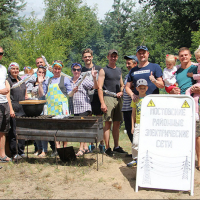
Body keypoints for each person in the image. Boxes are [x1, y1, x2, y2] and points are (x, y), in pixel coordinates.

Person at [170, 47, 200, 170]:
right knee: (182, 134)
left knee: (197, 135)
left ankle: (199, 162)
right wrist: (172, 90)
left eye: (186, 55)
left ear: (190, 56)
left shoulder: (196, 67)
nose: (184, 57)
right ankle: (182, 160)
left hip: (196, 105)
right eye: (181, 55)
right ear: (179, 57)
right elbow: (170, 86)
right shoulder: (175, 71)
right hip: (180, 106)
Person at [38, 60, 77, 149]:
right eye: (55, 68)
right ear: (53, 69)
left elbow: (69, 94)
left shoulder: (65, 79)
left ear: (61, 69)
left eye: (59, 69)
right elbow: (42, 94)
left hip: (62, 107)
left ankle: (65, 147)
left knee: (64, 128)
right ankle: (57, 148)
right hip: (52, 108)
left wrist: (73, 91)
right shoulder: (48, 80)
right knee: (54, 128)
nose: (57, 71)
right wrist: (40, 83)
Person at [98, 49, 127, 156]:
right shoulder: (103, 70)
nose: (113, 58)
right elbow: (100, 87)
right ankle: (107, 148)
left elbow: (122, 85)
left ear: (117, 57)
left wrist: (121, 91)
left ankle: (116, 146)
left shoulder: (119, 70)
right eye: (111, 56)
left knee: (117, 123)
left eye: (115, 56)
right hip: (108, 98)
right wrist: (102, 103)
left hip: (118, 98)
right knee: (107, 123)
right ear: (108, 57)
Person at [69, 63, 98, 156]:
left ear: (81, 71)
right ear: (72, 70)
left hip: (84, 107)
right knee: (79, 128)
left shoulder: (84, 79)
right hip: (75, 108)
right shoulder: (69, 81)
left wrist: (94, 77)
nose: (76, 71)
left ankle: (81, 149)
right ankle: (85, 147)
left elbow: (95, 87)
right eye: (74, 69)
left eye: (78, 70)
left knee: (82, 128)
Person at [81, 48, 103, 152]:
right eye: (85, 57)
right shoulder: (80, 70)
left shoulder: (98, 68)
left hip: (96, 98)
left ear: (92, 57)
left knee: (99, 122)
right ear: (82, 58)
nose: (87, 58)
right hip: (85, 99)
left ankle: (101, 144)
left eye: (89, 56)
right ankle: (90, 144)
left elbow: (100, 86)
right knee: (88, 122)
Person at [7, 62, 28, 159]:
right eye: (13, 69)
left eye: (17, 68)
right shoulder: (8, 81)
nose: (15, 70)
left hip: (23, 108)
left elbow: (25, 94)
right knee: (14, 131)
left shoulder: (21, 80)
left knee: (22, 131)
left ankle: (21, 151)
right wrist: (11, 109)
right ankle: (14, 153)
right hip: (14, 107)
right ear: (9, 70)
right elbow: (7, 97)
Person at [127, 79, 148, 167]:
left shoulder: (148, 99)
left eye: (144, 88)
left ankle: (145, 158)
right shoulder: (135, 100)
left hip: (146, 124)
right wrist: (132, 126)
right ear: (137, 88)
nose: (142, 89)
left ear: (146, 88)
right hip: (138, 124)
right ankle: (135, 159)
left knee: (145, 142)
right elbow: (133, 114)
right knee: (135, 142)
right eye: (140, 88)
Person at [122, 55, 138, 144]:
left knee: (134, 129)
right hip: (126, 106)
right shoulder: (127, 75)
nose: (127, 65)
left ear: (135, 64)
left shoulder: (137, 74)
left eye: (129, 63)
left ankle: (137, 151)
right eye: (126, 63)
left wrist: (130, 87)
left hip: (133, 106)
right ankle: (134, 150)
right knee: (128, 129)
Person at [0, 46, 12, 164]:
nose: (0, 55)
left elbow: (5, 86)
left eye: (1, 53)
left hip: (4, 102)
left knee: (3, 130)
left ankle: (2, 155)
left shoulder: (3, 68)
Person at [186, 47, 200, 121]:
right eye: (197, 58)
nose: (198, 59)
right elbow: (196, 64)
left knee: (188, 91)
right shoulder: (198, 64)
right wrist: (191, 63)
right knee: (195, 98)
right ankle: (196, 113)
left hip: (199, 83)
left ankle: (187, 105)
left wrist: (192, 76)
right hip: (198, 83)